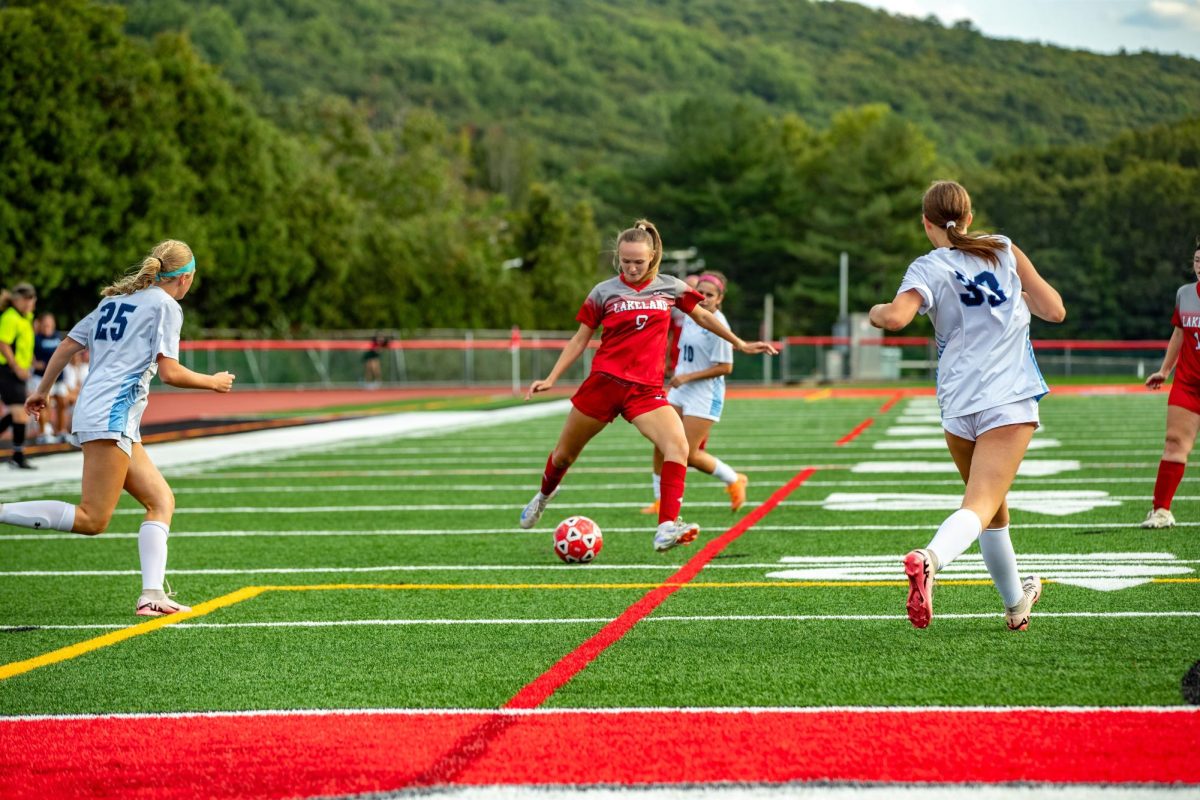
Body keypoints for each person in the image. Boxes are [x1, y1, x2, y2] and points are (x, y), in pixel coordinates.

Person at [868, 180, 1065, 631]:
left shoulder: (927, 266)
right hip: (1009, 398)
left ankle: (1016, 605)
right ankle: (930, 558)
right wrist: (1018, 297)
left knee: (992, 510)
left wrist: (876, 311)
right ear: (969, 217)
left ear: (925, 223)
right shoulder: (1002, 249)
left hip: (957, 403)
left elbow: (895, 318)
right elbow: (1054, 310)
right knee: (980, 504)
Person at [0, 240, 236, 616]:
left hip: (108, 414)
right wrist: (214, 381)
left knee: (161, 501)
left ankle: (152, 596)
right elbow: (171, 372)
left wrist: (41, 391)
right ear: (186, 277)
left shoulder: (112, 302)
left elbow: (65, 347)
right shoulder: (166, 306)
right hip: (111, 416)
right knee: (93, 519)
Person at [520, 220, 776, 551]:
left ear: (653, 255)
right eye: (626, 261)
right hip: (604, 385)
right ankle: (543, 496)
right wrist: (551, 378)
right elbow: (581, 337)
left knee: (679, 447)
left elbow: (703, 316)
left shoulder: (671, 286)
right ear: (618, 257)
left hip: (645, 391)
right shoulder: (604, 291)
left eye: (639, 262)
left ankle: (667, 526)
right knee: (563, 456)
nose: (632, 268)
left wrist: (739, 343)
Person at [641, 271, 749, 516]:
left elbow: (726, 367)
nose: (704, 299)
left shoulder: (718, 324)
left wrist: (687, 377)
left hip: (704, 395)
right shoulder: (691, 315)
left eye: (710, 295)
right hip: (681, 390)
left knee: (687, 454)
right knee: (661, 442)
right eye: (701, 293)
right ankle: (660, 501)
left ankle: (734, 479)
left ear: (720, 299)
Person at [1141, 241, 1200, 529]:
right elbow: (1179, 333)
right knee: (1175, 444)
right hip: (1188, 385)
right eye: (1198, 260)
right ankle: (1161, 510)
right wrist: (1165, 370)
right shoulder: (1185, 294)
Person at [0, 283, 38, 469]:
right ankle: (18, 455)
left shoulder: (26, 318)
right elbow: (4, 343)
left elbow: (23, 344)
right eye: (27, 300)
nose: (31, 304)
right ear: (18, 300)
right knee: (20, 413)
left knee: (18, 413)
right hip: (7, 370)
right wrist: (15, 367)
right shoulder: (10, 317)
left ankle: (17, 455)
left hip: (18, 371)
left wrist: (31, 362)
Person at [31, 312, 68, 441]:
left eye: (49, 323)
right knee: (43, 404)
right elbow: (27, 353)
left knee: (62, 403)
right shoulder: (36, 338)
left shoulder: (57, 337)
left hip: (59, 376)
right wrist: (34, 363)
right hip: (42, 377)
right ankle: (43, 433)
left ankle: (61, 431)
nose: (47, 325)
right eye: (45, 323)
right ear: (41, 324)